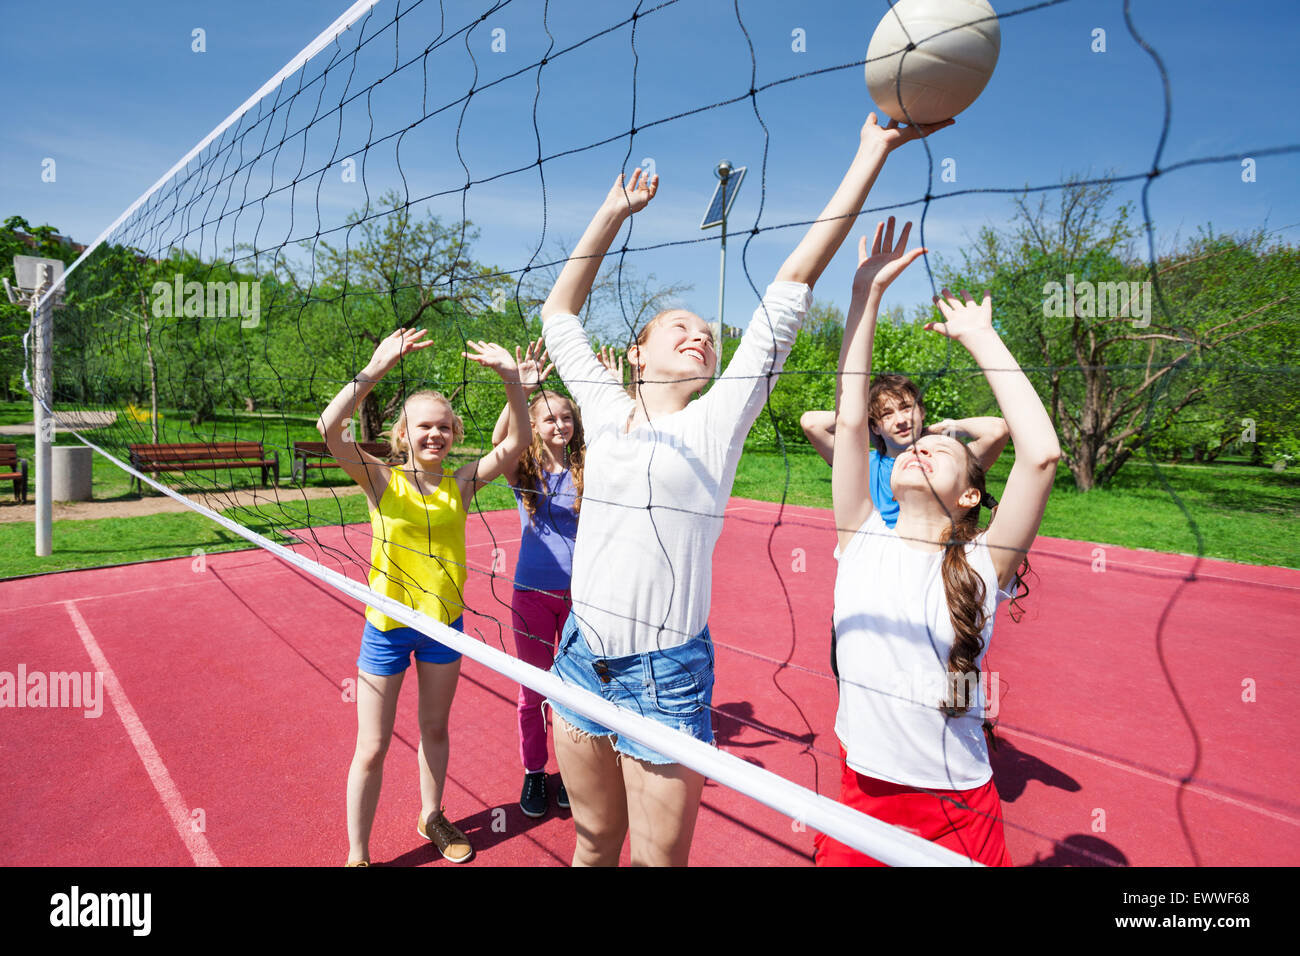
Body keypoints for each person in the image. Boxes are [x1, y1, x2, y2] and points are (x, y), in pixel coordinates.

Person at [540, 113, 951, 867]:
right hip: (578, 655)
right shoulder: (601, 406)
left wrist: (871, 151)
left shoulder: (716, 420)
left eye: (707, 330)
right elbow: (559, 311)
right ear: (637, 354)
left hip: (663, 677)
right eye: (677, 325)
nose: (699, 333)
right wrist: (613, 211)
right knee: (593, 843)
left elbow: (792, 281)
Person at [816, 217, 1060, 866]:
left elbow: (1041, 456)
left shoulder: (982, 564)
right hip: (860, 789)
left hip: (956, 807)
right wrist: (863, 297)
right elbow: (846, 415)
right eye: (912, 445)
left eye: (939, 448)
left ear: (972, 494)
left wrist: (982, 337)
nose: (919, 448)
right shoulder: (861, 534)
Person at [318, 328, 531, 866]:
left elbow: (516, 444)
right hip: (387, 628)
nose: (433, 435)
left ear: (454, 433)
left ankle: (432, 814)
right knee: (372, 746)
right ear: (404, 434)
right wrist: (375, 367)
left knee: (435, 728)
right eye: (423, 427)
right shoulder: (381, 481)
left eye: (442, 427)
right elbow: (330, 429)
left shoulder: (461, 483)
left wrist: (512, 382)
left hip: (445, 627)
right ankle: (358, 854)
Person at [489, 339, 587, 818]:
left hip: (581, 597)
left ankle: (570, 772)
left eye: (565, 417)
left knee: (575, 688)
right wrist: (521, 392)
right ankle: (534, 772)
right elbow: (498, 442)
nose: (559, 425)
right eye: (549, 418)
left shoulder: (589, 467)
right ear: (536, 424)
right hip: (530, 594)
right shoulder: (523, 467)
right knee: (534, 689)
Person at [800, 380, 1009, 529]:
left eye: (907, 408)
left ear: (921, 412)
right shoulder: (863, 465)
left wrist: (943, 427)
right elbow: (811, 423)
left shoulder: (948, 463)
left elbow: (996, 431)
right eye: (886, 414)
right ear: (874, 426)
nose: (900, 420)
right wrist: (864, 421)